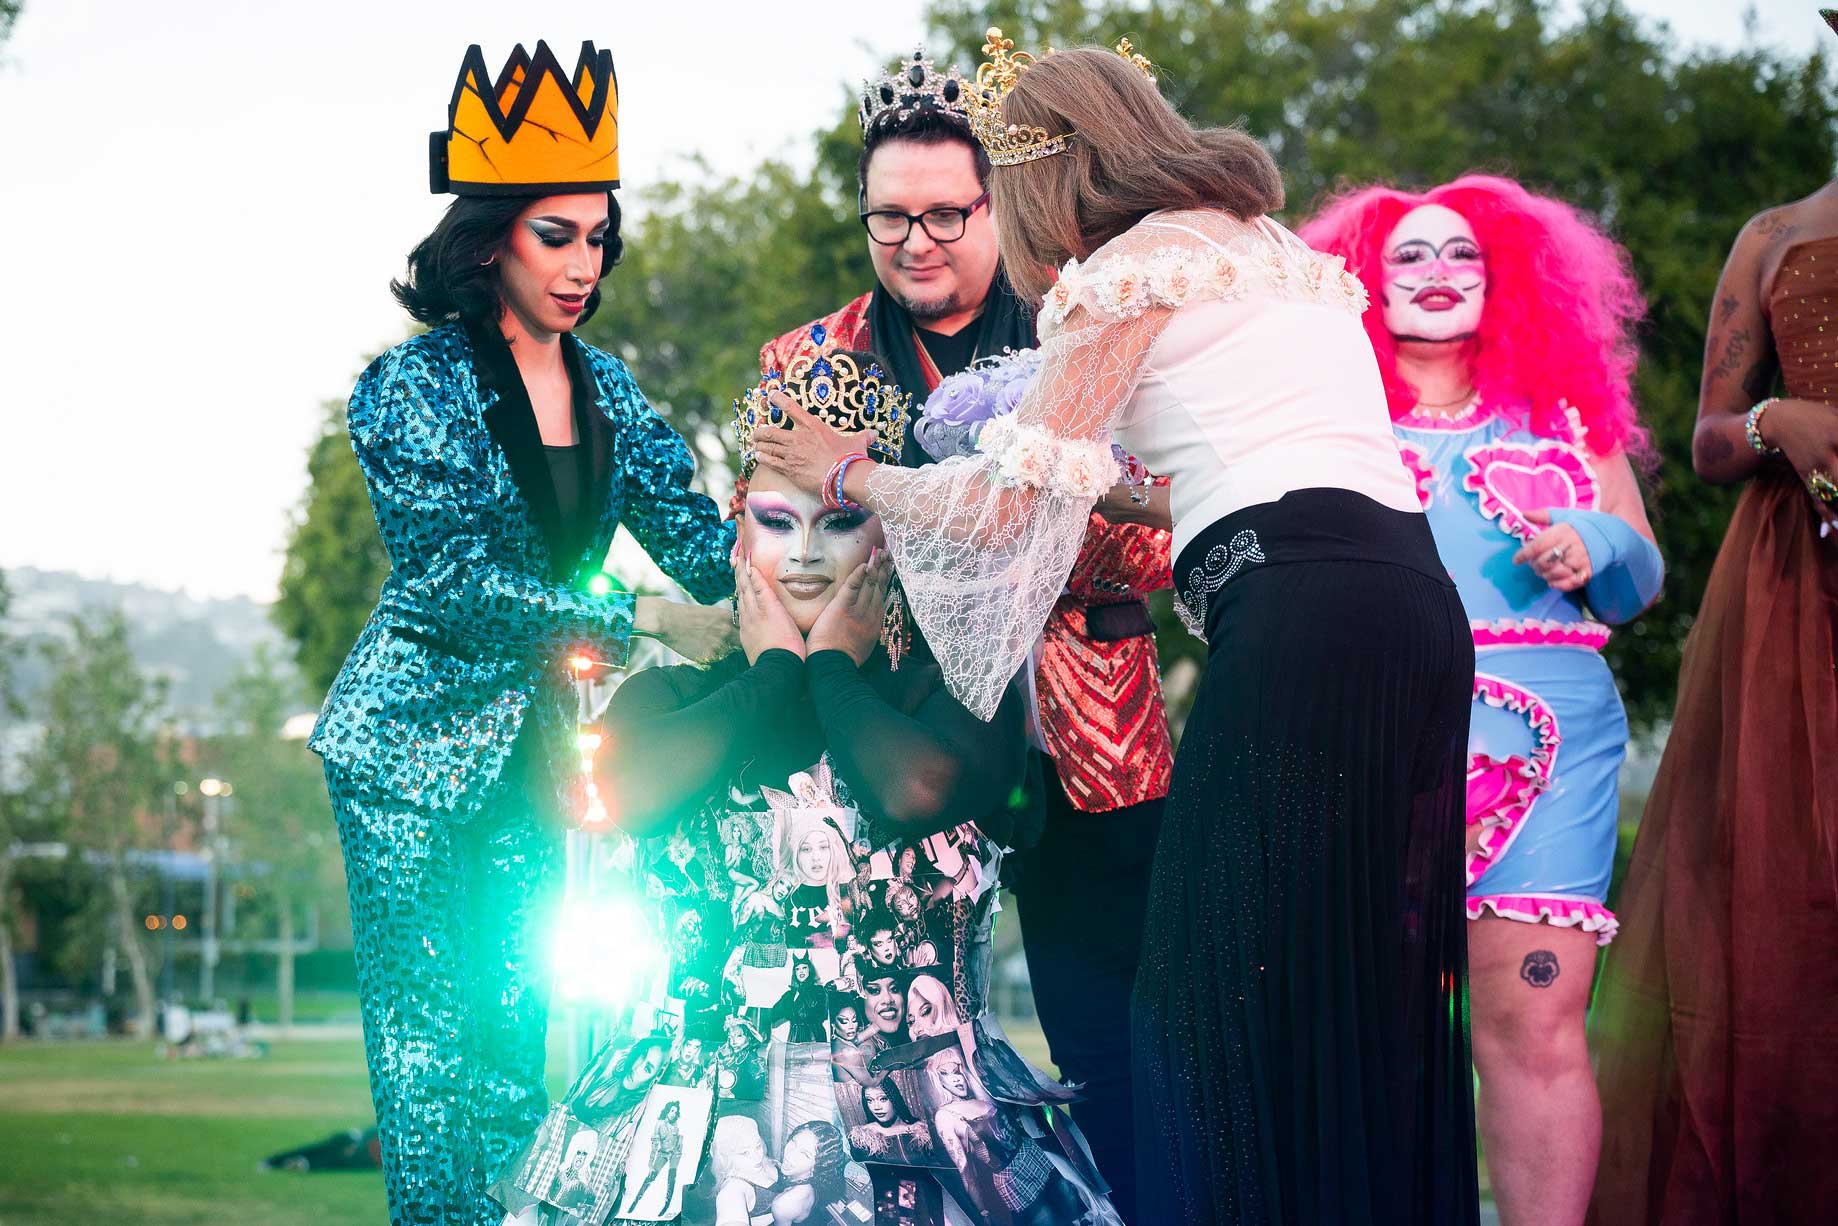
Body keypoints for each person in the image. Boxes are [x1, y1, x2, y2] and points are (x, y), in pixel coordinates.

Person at [752, 31, 1477, 1225]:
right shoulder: (1272, 254)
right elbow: (1205, 480)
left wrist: (849, 476)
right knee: (1346, 982)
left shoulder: (1121, 276)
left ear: (1040, 174)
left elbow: (1001, 511)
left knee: (1193, 1007)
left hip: (1289, 626)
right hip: (1409, 609)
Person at [307, 40, 734, 1226]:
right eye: (557, 235)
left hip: (534, 758)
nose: (583, 264)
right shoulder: (408, 386)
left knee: (514, 1041)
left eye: (598, 237)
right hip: (403, 750)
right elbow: (452, 578)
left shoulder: (612, 390)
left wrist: (832, 528)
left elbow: (706, 548)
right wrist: (638, 616)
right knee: (427, 1051)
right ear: (489, 238)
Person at [758, 54, 1174, 1218]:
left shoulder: (1087, 325)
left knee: (1116, 1037)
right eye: (889, 217)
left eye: (946, 213)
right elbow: (789, 538)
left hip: (1091, 729)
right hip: (898, 739)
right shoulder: (807, 362)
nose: (916, 241)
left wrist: (963, 513)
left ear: (1000, 204)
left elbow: (1156, 538)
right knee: (888, 1054)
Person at [595, 342, 1120, 1224]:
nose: (804, 554)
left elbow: (912, 793)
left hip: (936, 1128)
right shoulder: (668, 697)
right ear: (738, 529)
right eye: (777, 521)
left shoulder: (960, 694)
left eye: (838, 521)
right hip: (701, 1136)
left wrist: (831, 668)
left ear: (890, 534)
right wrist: (773, 674)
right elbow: (628, 794)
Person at [1301, 175, 1661, 1226]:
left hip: (1550, 754)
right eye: (1408, 255)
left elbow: (1637, 581)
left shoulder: (1567, 416)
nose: (1436, 272)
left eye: (1461, 252)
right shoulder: (1327, 421)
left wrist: (1596, 540)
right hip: (1372, 734)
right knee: (1367, 1027)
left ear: (1506, 278)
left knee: (1534, 1025)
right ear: (1364, 282)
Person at [1586, 68, 1838, 1224]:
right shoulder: (1773, 234)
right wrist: (1777, 419)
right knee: (1778, 882)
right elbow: (1703, 441)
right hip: (1791, 590)